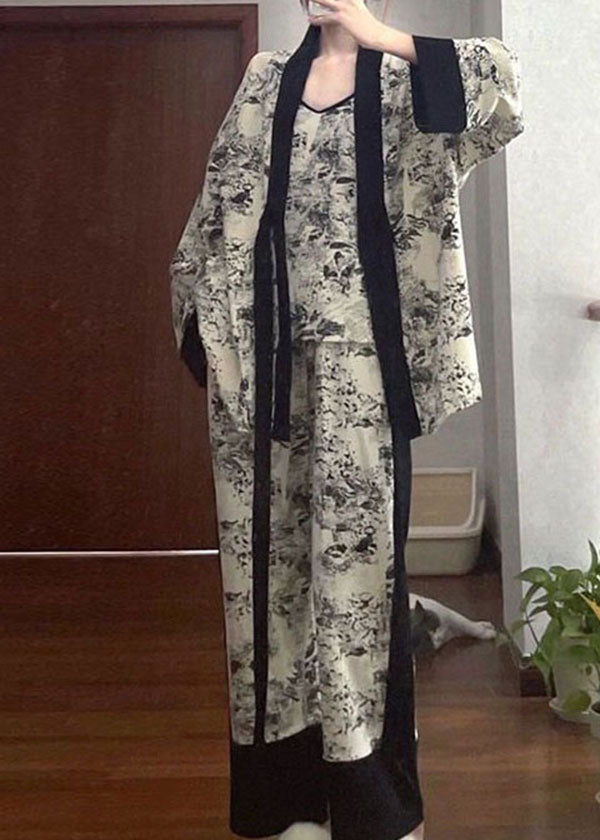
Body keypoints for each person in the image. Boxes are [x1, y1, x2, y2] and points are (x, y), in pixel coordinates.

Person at [169, 2, 524, 839]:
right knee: (264, 584)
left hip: (360, 375)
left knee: (357, 581)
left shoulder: (404, 79)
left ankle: (372, 801)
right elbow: (211, 221)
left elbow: (505, 95)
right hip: (261, 377)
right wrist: (208, 335)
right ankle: (284, 801)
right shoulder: (264, 81)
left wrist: (380, 37)